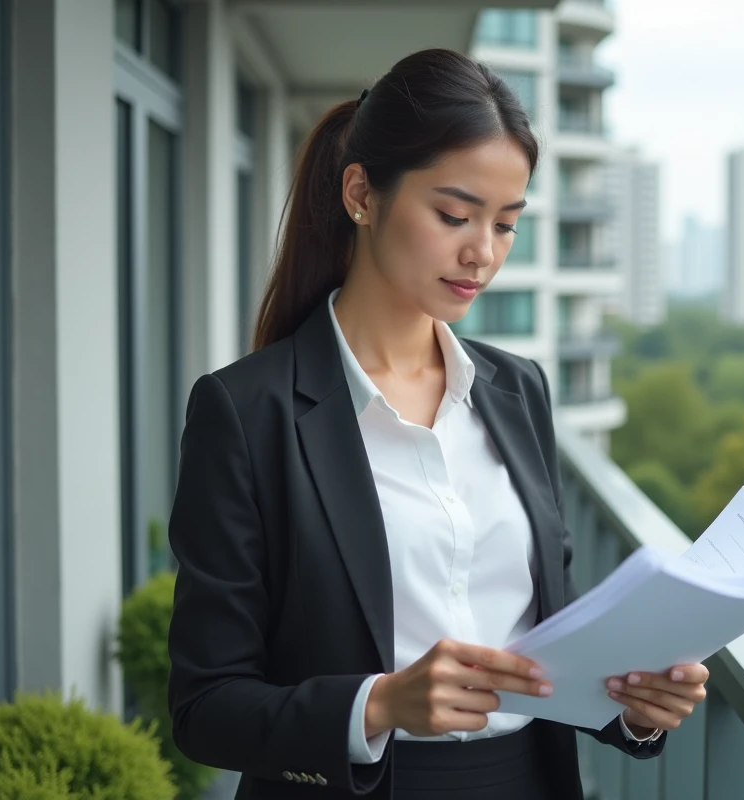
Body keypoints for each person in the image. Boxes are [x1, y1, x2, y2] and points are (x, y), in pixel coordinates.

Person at [166, 47, 708, 800]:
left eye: (507, 224)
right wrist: (380, 704)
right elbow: (204, 708)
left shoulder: (518, 390)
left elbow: (549, 639)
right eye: (454, 214)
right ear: (362, 193)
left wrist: (635, 705)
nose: (482, 253)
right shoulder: (246, 411)